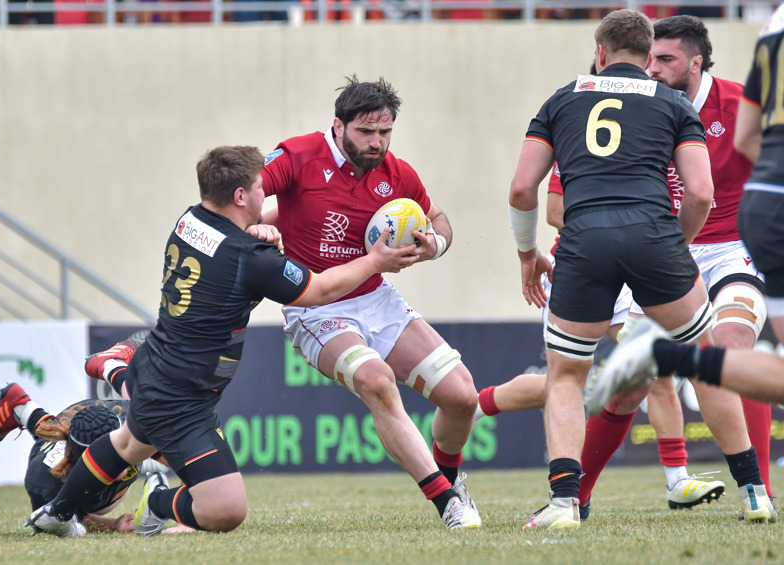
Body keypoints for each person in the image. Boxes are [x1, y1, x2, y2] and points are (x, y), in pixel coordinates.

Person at [25, 145, 420, 538]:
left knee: (128, 444)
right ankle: (156, 503)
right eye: (261, 187)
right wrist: (376, 261)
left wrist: (260, 231)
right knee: (226, 509)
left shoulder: (190, 219)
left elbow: (230, 255)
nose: (266, 193)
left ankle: (57, 511)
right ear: (241, 196)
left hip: (156, 365)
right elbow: (320, 290)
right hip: (181, 396)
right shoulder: (250, 256)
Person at [509, 9, 720, 530]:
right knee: (573, 377)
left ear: (600, 53)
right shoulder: (638, 111)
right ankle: (476, 404)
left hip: (601, 253)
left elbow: (521, 189)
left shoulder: (566, 104)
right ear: (645, 60)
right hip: (600, 253)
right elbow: (553, 207)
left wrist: (528, 251)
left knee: (633, 371)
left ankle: (661, 481)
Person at [586, 3, 784, 523]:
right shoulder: (641, 106)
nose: (652, 69)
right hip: (667, 249)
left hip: (733, 248)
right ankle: (573, 496)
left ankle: (758, 494)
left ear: (696, 64)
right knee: (632, 382)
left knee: (732, 345)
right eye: (650, 58)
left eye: (666, 60)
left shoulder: (737, 105)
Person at [258, 75, 482, 530]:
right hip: (315, 308)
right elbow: (244, 193)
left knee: (462, 397)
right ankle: (447, 503)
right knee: (376, 380)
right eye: (366, 132)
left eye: (385, 132)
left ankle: (451, 477)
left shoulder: (397, 174)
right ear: (338, 125)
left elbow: (439, 220)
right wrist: (255, 224)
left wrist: (433, 245)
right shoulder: (299, 155)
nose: (377, 142)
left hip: (375, 298)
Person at [0, 382, 172, 535]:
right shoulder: (46, 484)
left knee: (150, 440)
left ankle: (22, 408)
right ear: (84, 463)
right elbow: (66, 521)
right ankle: (21, 408)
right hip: (54, 456)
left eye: (117, 449)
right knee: (51, 434)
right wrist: (114, 524)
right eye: (110, 457)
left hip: (96, 412)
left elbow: (183, 455)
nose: (121, 466)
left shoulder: (132, 419)